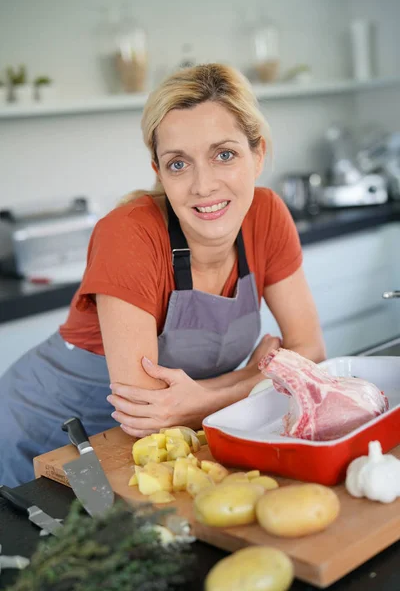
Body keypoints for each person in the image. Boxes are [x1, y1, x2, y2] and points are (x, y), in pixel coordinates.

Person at [0, 63, 325, 487]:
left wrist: (208, 396)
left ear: (257, 154)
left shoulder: (267, 216)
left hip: (157, 447)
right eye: (178, 164)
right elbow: (148, 413)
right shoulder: (129, 234)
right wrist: (261, 375)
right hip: (52, 440)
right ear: (158, 171)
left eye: (224, 155)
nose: (203, 185)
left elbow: (312, 351)